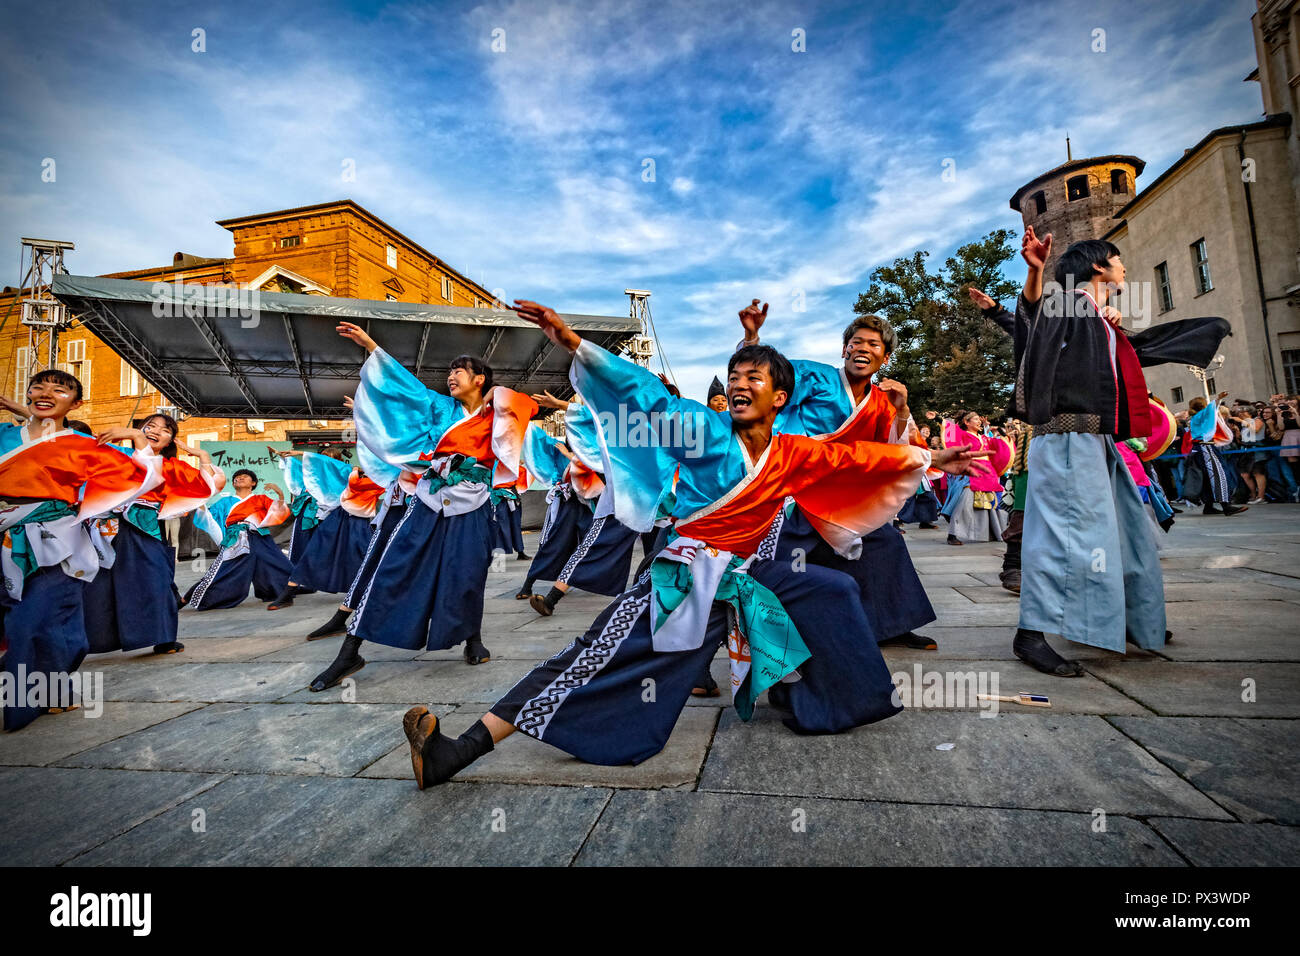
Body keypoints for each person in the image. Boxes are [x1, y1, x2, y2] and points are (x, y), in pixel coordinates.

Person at [398, 298, 989, 788]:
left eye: (752, 379)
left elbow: (857, 456)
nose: (738, 385)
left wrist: (933, 455)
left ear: (780, 399)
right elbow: (646, 398)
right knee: (593, 655)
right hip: (686, 574)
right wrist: (574, 343)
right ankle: (459, 751)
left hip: (751, 573)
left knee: (830, 589)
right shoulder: (703, 430)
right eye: (733, 378)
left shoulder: (791, 452)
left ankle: (830, 700)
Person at [1009, 227, 1230, 676]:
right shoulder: (1066, 300)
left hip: (1099, 441)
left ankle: (1124, 618)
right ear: (1098, 266)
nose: (1124, 267)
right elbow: (1032, 319)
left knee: (1125, 532)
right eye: (1119, 259)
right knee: (1065, 536)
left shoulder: (1095, 314)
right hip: (1068, 438)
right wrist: (1036, 274)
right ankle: (1030, 634)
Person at [307, 322, 538, 690]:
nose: (451, 376)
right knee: (393, 567)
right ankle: (351, 650)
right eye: (449, 371)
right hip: (429, 499)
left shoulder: (498, 412)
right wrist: (371, 346)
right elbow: (407, 390)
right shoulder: (440, 407)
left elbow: (529, 407)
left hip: (473, 502)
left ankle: (472, 637)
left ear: (481, 379)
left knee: (468, 573)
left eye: (459, 371)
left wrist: (499, 395)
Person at [734, 300, 941, 651]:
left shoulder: (883, 400)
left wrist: (903, 408)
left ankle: (891, 625)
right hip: (793, 485)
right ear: (844, 349)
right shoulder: (816, 377)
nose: (862, 349)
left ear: (885, 358)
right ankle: (779, 638)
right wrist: (752, 339)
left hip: (840, 494)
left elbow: (899, 447)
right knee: (785, 558)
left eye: (873, 345)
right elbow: (768, 378)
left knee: (885, 542)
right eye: (856, 342)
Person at [1, 370, 160, 730]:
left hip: (58, 541)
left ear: (76, 403)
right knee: (56, 625)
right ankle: (55, 689)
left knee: (27, 622)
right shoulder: (5, 436)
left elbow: (141, 478)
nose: (46, 392)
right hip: (8, 540)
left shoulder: (84, 445)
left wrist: (136, 436)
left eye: (60, 389)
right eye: (39, 386)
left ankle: (20, 706)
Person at [83, 414, 224, 656]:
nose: (156, 431)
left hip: (146, 527)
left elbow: (208, 485)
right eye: (150, 426)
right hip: (102, 528)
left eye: (166, 429)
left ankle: (163, 637)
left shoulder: (171, 467)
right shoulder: (115, 457)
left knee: (157, 581)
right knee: (100, 585)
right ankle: (94, 639)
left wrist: (203, 456)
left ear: (171, 440)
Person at [182, 469, 291, 609]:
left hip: (260, 536)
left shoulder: (260, 499)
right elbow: (209, 518)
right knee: (224, 571)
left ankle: (289, 590)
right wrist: (201, 500)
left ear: (253, 483)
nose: (239, 478)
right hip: (236, 538)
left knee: (278, 564)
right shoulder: (224, 501)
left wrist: (280, 494)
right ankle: (187, 598)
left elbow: (279, 513)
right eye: (236, 477)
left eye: (244, 477)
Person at [938, 410, 1004, 546]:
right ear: (966, 422)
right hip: (973, 471)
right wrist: (939, 419)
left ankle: (994, 532)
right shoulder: (964, 435)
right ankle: (953, 533)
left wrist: (998, 431)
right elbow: (951, 432)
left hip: (987, 473)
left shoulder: (983, 437)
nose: (978, 421)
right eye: (975, 419)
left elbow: (996, 445)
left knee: (990, 503)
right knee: (965, 502)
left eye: (979, 419)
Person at [1181, 396, 1248, 516]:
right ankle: (1226, 506)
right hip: (1205, 448)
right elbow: (1211, 409)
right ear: (1203, 406)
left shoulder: (1195, 417)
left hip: (1199, 449)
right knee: (1218, 474)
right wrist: (1218, 399)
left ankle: (1209, 506)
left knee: (1207, 478)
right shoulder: (1201, 415)